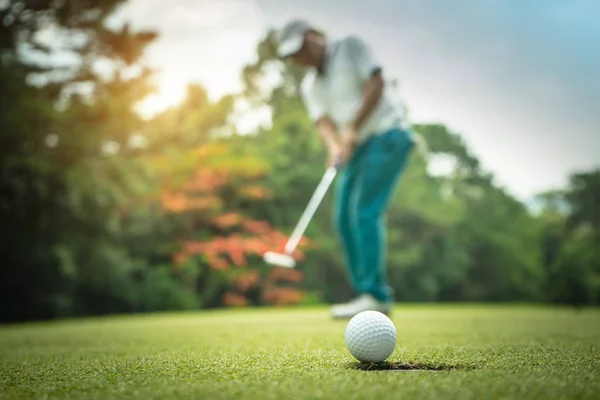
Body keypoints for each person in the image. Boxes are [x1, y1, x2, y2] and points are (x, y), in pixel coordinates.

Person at [276, 19, 416, 319]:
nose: (300, 58)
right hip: (357, 147)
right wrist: (334, 145)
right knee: (343, 217)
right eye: (293, 55)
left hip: (387, 134)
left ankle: (376, 295)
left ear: (313, 36)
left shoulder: (349, 47)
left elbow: (375, 82)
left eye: (301, 48)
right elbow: (323, 122)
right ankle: (366, 293)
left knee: (364, 211)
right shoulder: (310, 85)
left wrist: (352, 128)